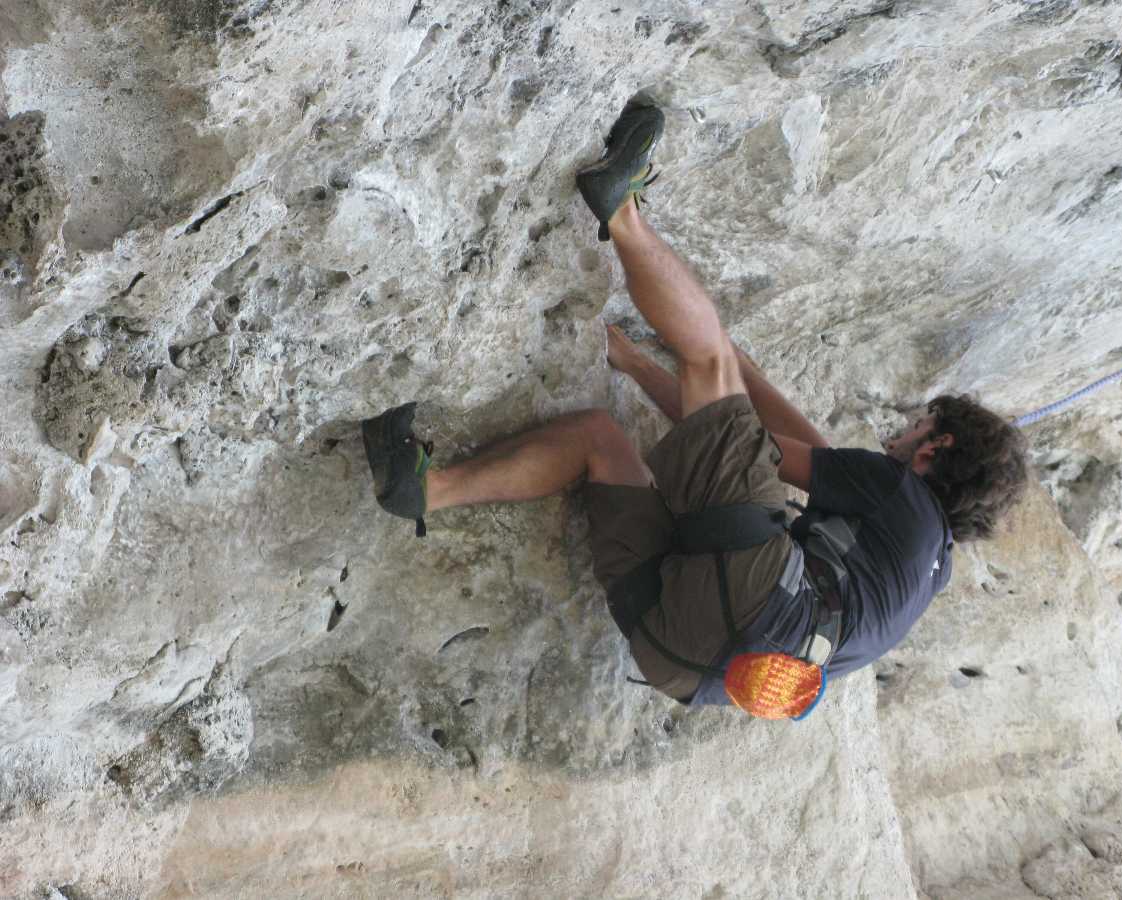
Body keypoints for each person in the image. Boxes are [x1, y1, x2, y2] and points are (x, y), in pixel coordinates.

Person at [361, 102, 1029, 712]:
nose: (900, 432)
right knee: (601, 440)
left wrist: (690, 350)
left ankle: (619, 207)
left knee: (707, 365)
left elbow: (744, 429)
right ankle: (423, 490)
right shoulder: (915, 567)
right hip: (687, 667)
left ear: (936, 450)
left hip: (756, 596)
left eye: (919, 426)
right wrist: (652, 360)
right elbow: (757, 420)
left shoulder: (897, 496)